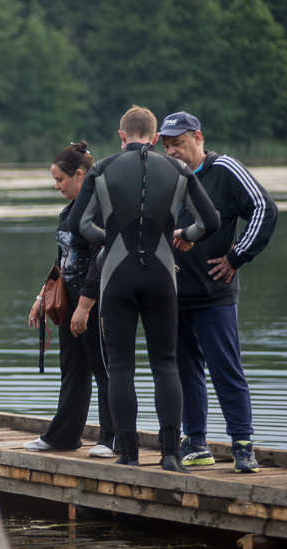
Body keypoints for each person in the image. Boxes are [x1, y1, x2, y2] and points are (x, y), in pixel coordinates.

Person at [68, 105, 219, 471]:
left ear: (122, 137)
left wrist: (112, 239)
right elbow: (210, 221)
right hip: (162, 274)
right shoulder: (179, 168)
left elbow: (78, 223)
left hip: (117, 275)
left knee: (120, 367)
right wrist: (184, 236)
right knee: (166, 364)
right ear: (155, 138)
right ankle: (170, 455)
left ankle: (130, 455)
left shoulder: (102, 168)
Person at [159, 111, 278, 473]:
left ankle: (242, 445)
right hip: (175, 293)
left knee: (226, 369)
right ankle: (195, 442)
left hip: (215, 292)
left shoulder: (225, 170)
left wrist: (237, 256)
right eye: (166, 146)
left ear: (198, 138)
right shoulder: (167, 175)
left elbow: (264, 209)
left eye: (178, 144)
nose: (173, 152)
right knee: (183, 371)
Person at [24, 141, 116, 458]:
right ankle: (64, 436)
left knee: (102, 367)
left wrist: (85, 306)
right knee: (72, 369)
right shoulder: (68, 211)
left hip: (94, 302)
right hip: (68, 303)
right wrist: (41, 296)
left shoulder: (100, 209)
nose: (57, 186)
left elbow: (100, 260)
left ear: (79, 175)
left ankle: (111, 437)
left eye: (60, 180)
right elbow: (61, 259)